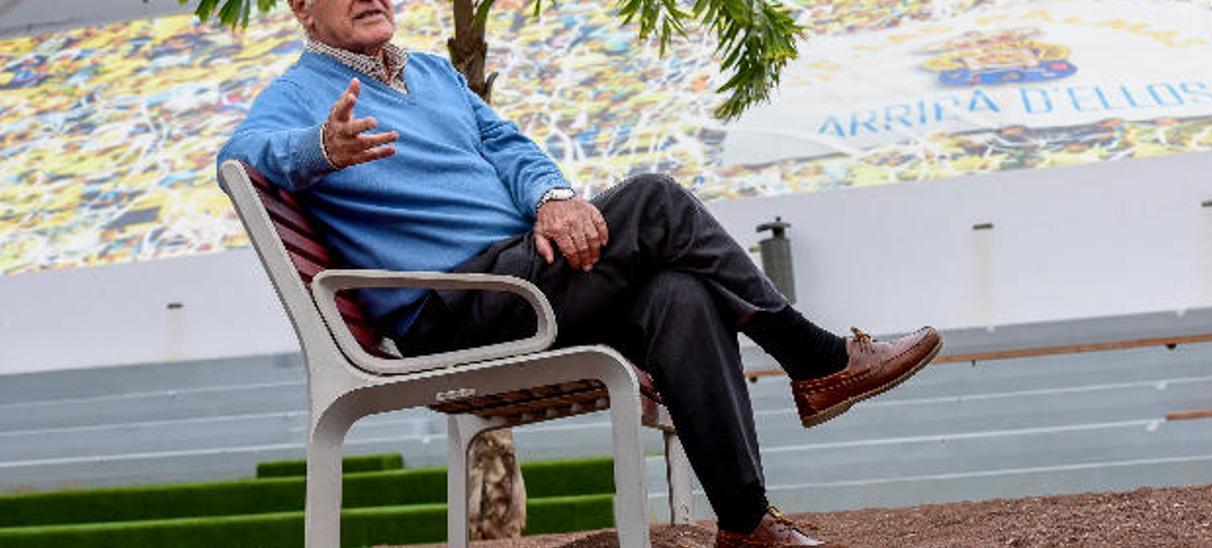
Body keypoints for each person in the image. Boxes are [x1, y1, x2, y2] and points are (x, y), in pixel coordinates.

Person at [216, 0, 943, 545]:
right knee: (654, 199)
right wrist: (321, 146)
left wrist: (552, 196)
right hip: (456, 307)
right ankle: (814, 358)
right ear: (302, 9)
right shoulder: (299, 93)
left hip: (524, 277)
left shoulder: (434, 74)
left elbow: (511, 148)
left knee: (680, 293)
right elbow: (244, 155)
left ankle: (746, 524)